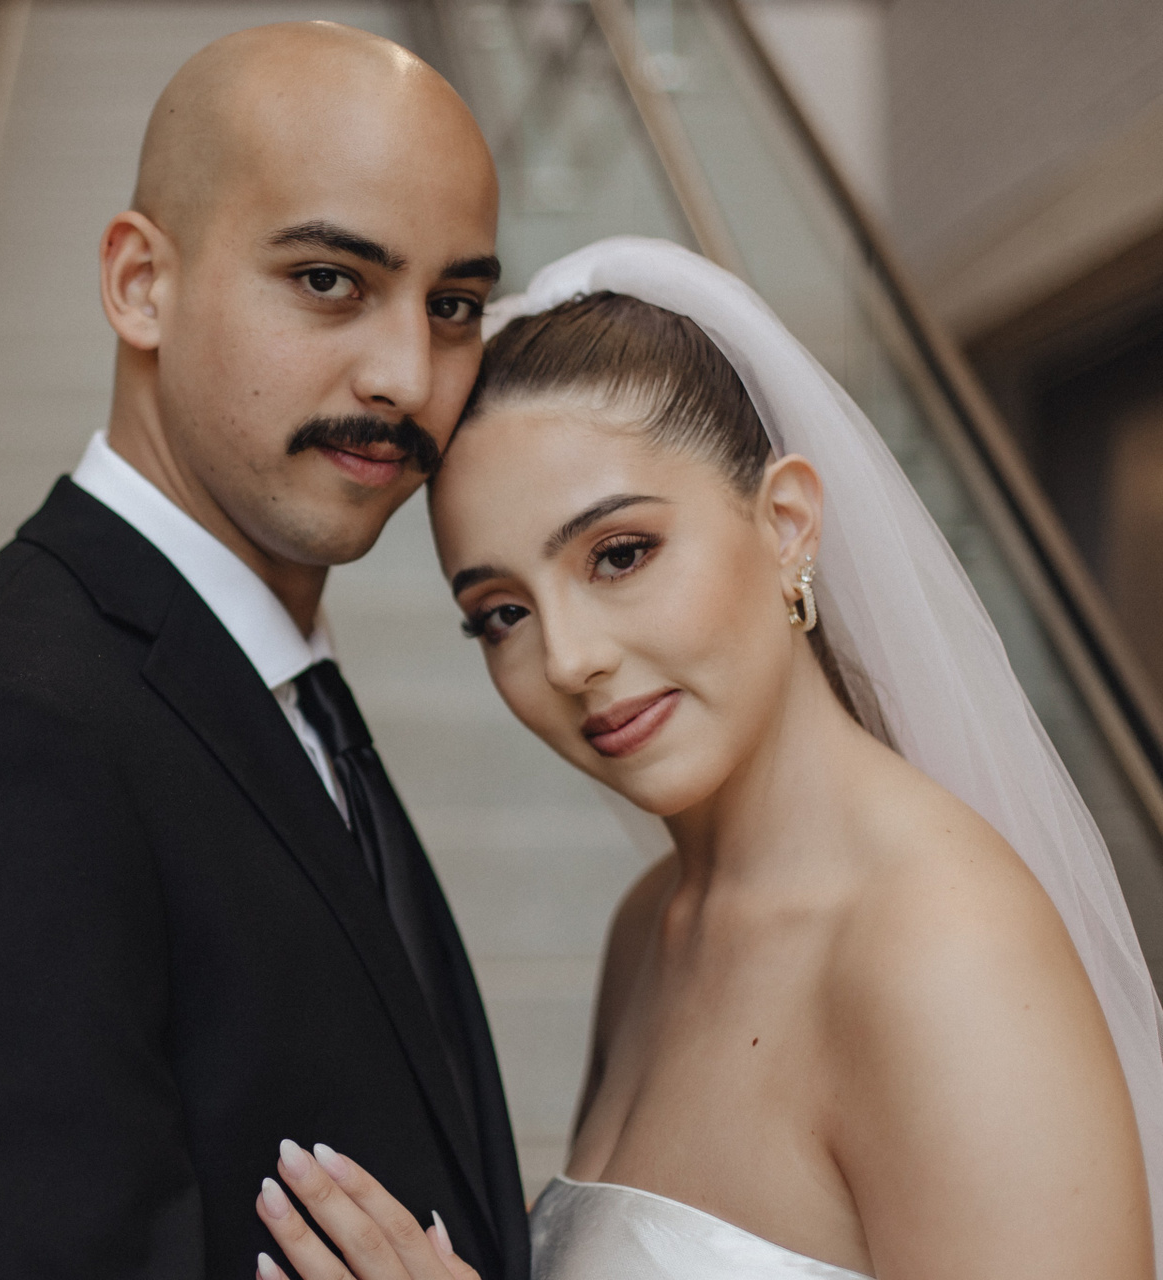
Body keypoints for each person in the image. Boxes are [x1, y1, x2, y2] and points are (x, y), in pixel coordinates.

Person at [0, 21, 534, 1278]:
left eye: (454, 305)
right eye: (330, 280)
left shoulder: (281, 692)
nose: (409, 374)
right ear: (140, 283)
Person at [250, 238, 1163, 1280]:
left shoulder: (943, 948)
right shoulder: (653, 927)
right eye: (500, 613)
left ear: (787, 524)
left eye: (620, 554)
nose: (569, 658)